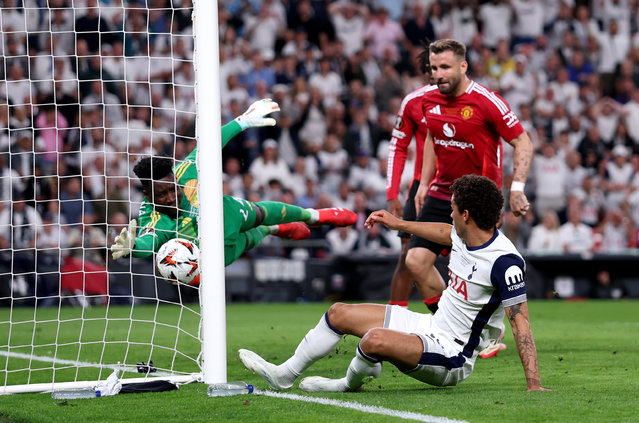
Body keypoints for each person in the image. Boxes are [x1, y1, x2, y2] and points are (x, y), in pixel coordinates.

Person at [239, 175, 549, 392]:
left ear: (466, 214)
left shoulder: (504, 262)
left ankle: (348, 384)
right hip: (430, 326)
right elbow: (444, 232)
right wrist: (398, 223)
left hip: (452, 357)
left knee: (374, 340)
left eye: (453, 208)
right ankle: (284, 375)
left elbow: (522, 326)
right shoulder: (464, 232)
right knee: (338, 313)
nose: (449, 212)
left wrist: (534, 385)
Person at [111, 99, 357, 269]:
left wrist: (243, 121)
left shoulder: (185, 169)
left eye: (171, 189)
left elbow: (211, 143)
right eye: (160, 195)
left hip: (224, 212)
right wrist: (134, 247)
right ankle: (270, 230)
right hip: (205, 253)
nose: (169, 198)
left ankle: (314, 215)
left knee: (259, 212)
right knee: (229, 251)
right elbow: (150, 240)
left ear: (175, 178)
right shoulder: (150, 215)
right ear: (147, 195)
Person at [406, 39, 532, 320]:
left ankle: (487, 328)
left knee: (475, 273)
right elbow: (431, 136)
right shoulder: (428, 99)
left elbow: (523, 142)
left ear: (463, 66)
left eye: (445, 67)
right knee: (415, 261)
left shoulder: (487, 101)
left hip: (478, 197)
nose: (438, 74)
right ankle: (452, 326)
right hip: (441, 193)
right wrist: (424, 182)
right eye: (433, 67)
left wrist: (517, 188)